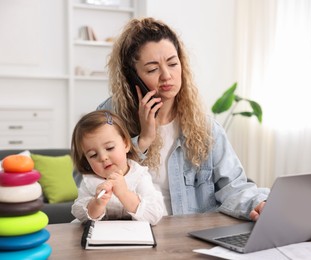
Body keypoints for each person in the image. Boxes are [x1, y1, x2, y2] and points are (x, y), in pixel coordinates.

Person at [97, 17, 269, 221]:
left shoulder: (204, 127)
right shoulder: (109, 118)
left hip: (189, 237)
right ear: (132, 78)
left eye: (172, 63)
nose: (167, 75)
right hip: (133, 236)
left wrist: (258, 204)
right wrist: (141, 142)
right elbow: (88, 184)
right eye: (152, 69)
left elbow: (234, 186)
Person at [71, 110, 164, 225]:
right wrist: (97, 204)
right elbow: (81, 216)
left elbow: (153, 215)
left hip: (134, 236)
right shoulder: (90, 181)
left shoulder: (139, 176)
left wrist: (124, 193)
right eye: (93, 155)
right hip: (99, 237)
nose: (103, 157)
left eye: (109, 148)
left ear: (126, 144)